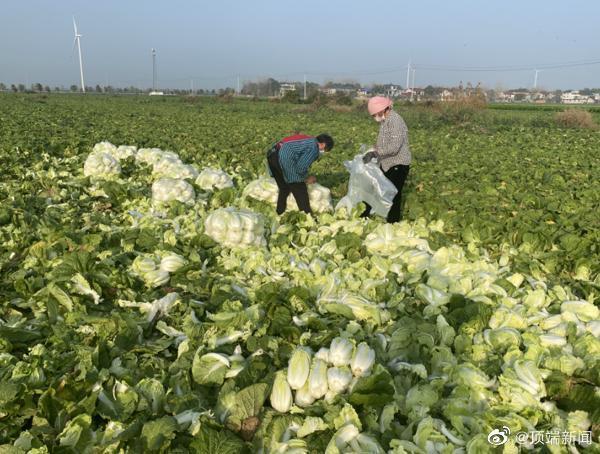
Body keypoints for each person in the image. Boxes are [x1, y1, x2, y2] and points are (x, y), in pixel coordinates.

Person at [361, 96, 411, 223]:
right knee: (376, 188)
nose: (374, 117)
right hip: (387, 163)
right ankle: (365, 215)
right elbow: (384, 142)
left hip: (397, 164)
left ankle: (393, 223)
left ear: (383, 110)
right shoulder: (386, 121)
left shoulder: (395, 121)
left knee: (393, 194)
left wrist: (375, 153)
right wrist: (372, 150)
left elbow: (394, 147)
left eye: (375, 114)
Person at [267, 133, 334, 215]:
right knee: (299, 188)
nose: (323, 152)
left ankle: (280, 212)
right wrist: (306, 178)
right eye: (325, 149)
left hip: (272, 155)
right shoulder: (314, 148)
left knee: (284, 188)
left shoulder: (307, 139)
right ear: (323, 144)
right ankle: (308, 216)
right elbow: (300, 167)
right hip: (284, 157)